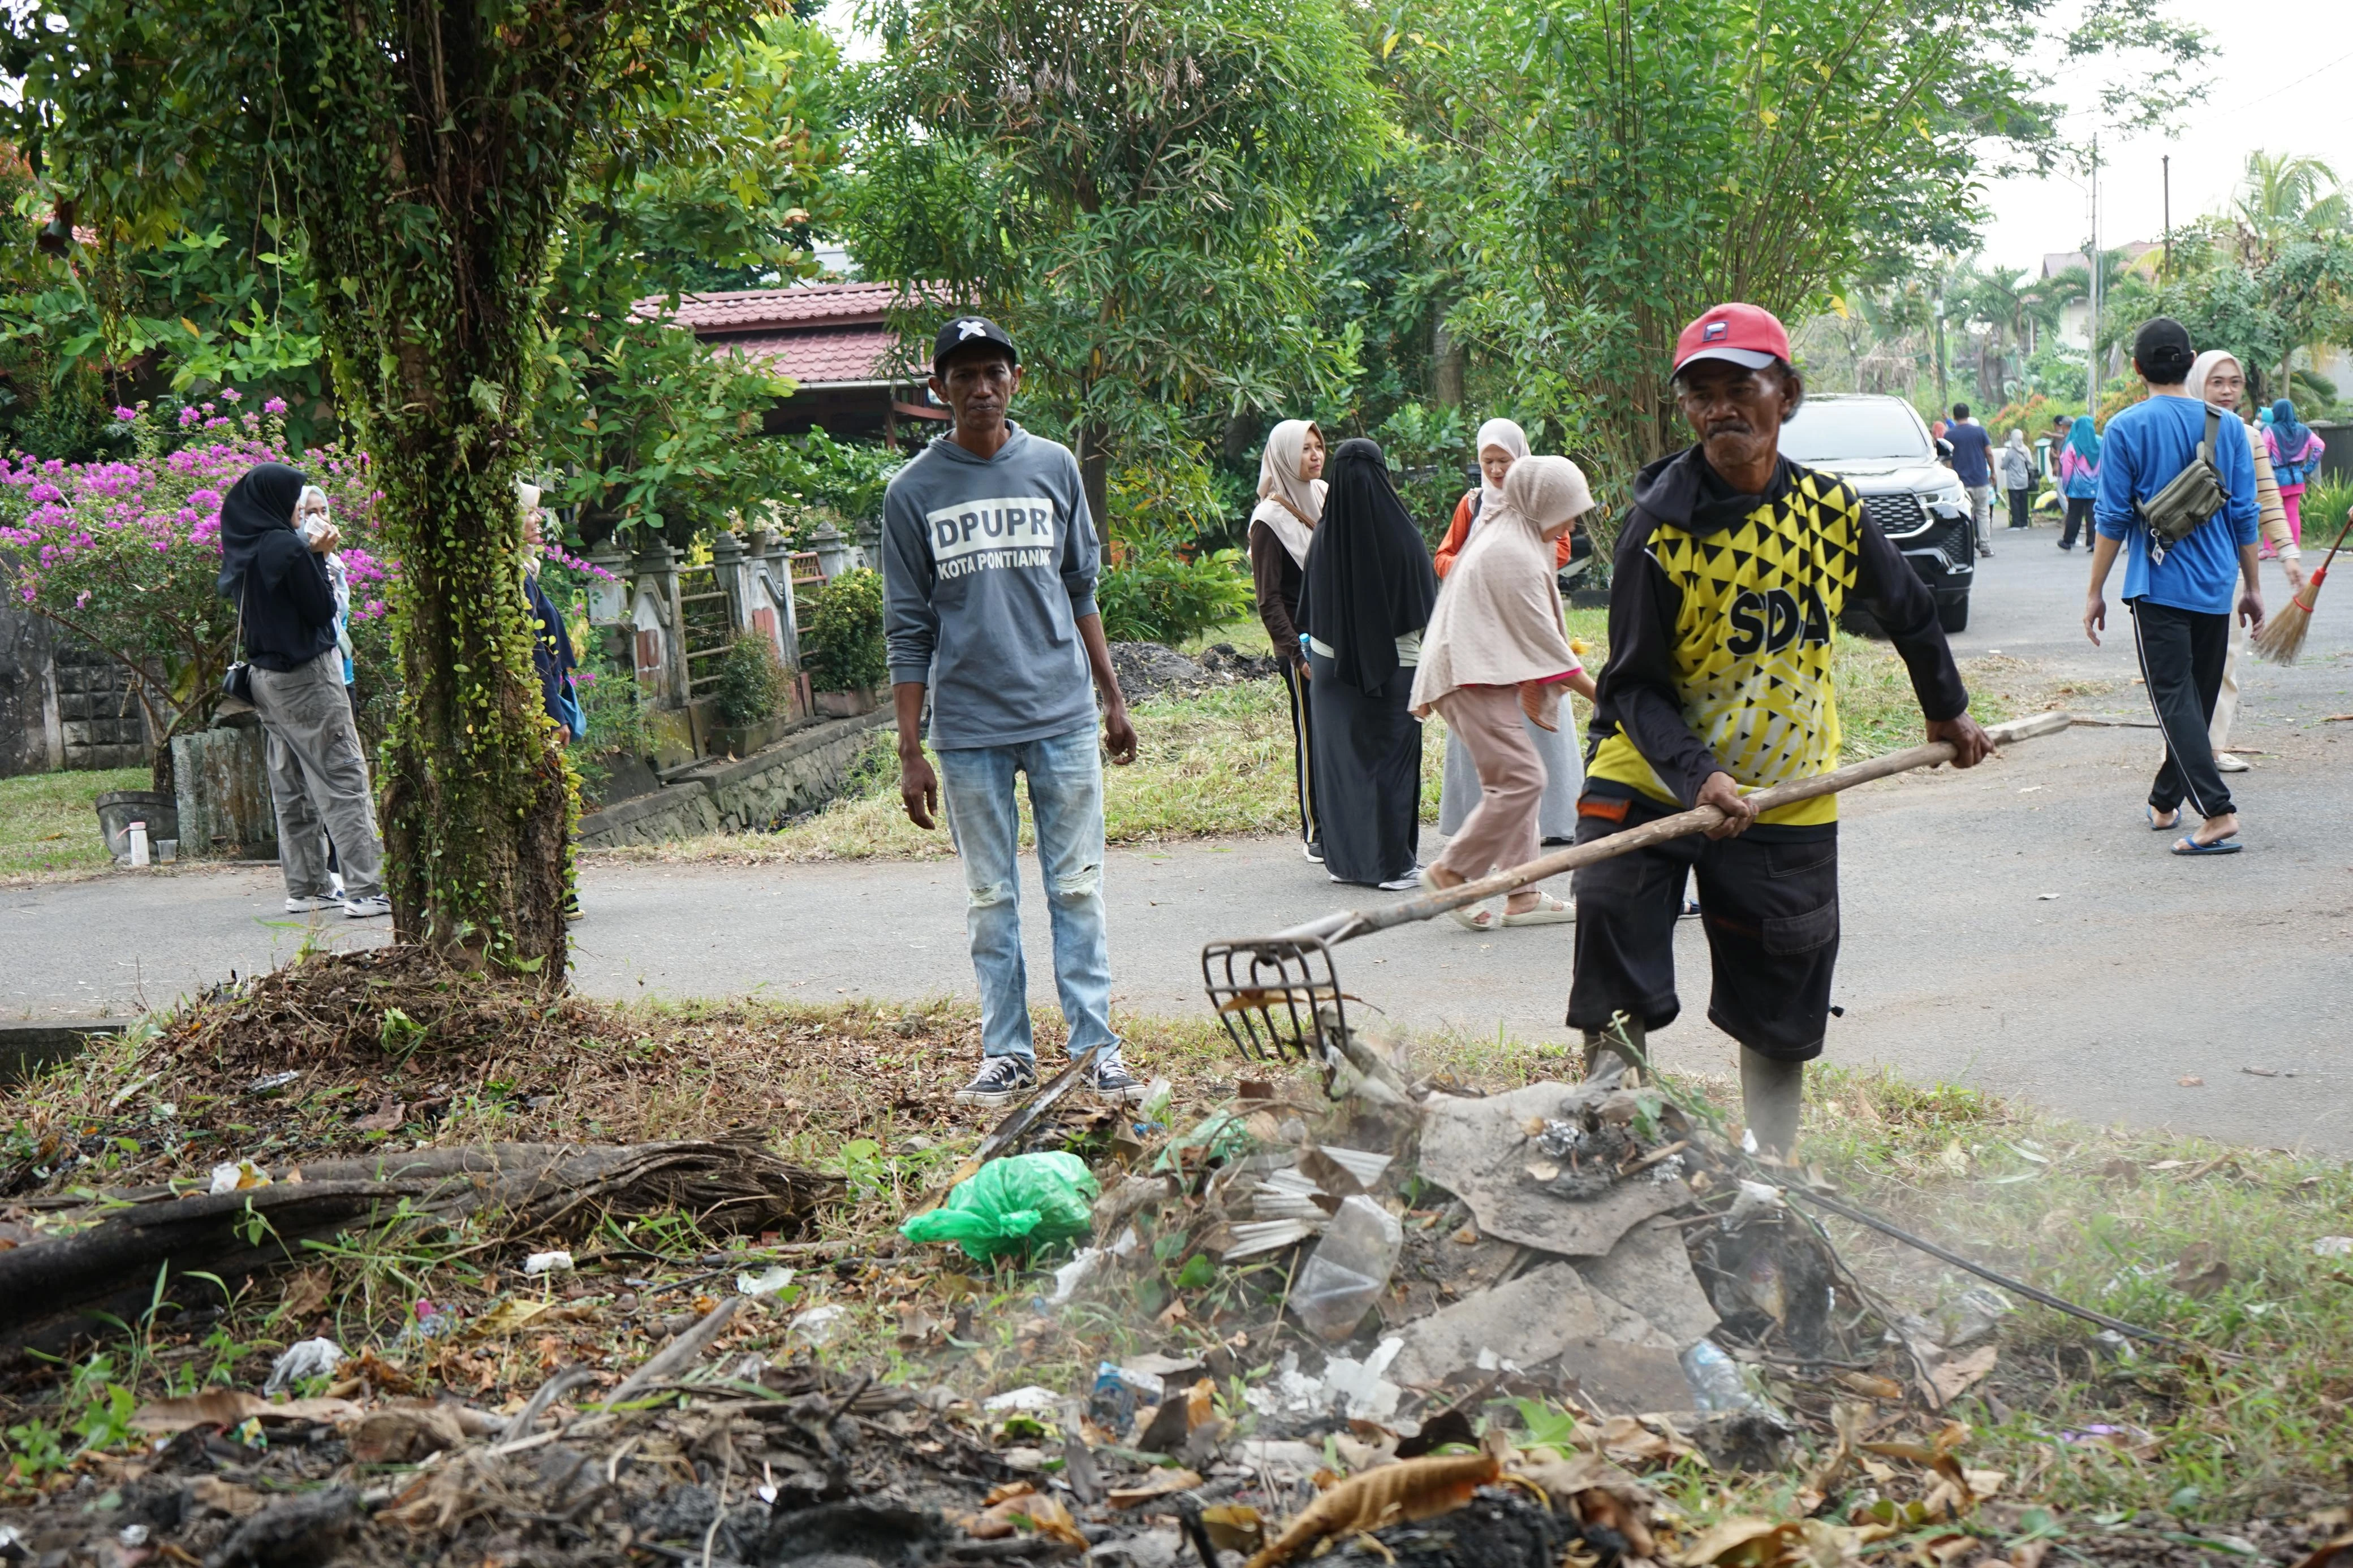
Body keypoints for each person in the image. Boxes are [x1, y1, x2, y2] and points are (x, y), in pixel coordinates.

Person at [1570, 303, 1990, 1158]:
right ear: (1685, 410)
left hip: (1786, 788)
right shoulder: (1658, 530)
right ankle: (1616, 1141)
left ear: (1786, 396)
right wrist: (1697, 778)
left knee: (1783, 986)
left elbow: (1910, 610)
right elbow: (1635, 687)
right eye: (1703, 395)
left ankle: (1772, 1172)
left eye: (1741, 389)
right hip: (1652, 776)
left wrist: (1946, 707)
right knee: (1611, 927)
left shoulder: (1832, 511)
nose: (1721, 409)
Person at [882, 314, 1146, 1107]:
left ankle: (1096, 1045)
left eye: (995, 372)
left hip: (1061, 715)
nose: (982, 387)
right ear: (939, 389)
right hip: (967, 733)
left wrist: (1113, 694)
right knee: (991, 899)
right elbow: (907, 626)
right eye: (963, 375)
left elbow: (1081, 589)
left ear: (1015, 382)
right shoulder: (912, 494)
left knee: (1076, 888)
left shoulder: (1055, 468)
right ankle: (1008, 1052)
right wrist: (908, 747)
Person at [2083, 318, 2262, 856]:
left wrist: (2095, 591)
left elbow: (2112, 517)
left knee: (2174, 700)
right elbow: (2245, 514)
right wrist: (2252, 586)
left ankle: (2218, 813)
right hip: (2215, 583)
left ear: (2137, 368)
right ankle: (2166, 800)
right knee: (2195, 700)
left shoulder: (2124, 428)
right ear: (2191, 363)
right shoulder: (2228, 426)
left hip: (2158, 586)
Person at [1411, 456, 1597, 930]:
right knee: (1519, 780)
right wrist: (1607, 697)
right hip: (1469, 677)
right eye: (1569, 509)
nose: (1574, 522)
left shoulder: (1517, 534)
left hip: (1482, 672)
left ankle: (1523, 891)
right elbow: (1547, 645)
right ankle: (1452, 872)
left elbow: (1540, 638)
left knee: (1518, 780)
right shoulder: (1511, 550)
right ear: (1543, 503)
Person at [218, 463, 391, 919]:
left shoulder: (245, 543)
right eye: (295, 499)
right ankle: (366, 888)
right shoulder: (288, 550)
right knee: (343, 776)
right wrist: (318, 556)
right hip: (306, 678)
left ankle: (308, 886)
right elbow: (321, 612)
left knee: (291, 784)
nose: (300, 508)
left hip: (264, 680)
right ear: (277, 500)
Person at [1297, 438, 1440, 891]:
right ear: (1384, 474)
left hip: (1330, 675)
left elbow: (1309, 613)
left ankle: (1347, 862)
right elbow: (1425, 611)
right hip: (1396, 671)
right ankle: (1392, 866)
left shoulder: (1324, 537)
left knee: (1343, 766)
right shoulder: (1403, 535)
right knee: (1391, 766)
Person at [1433, 418, 1582, 848]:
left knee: (1538, 712)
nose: (1497, 469)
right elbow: (1444, 555)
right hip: (1480, 623)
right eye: (1489, 461)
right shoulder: (1472, 502)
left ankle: (1553, 819)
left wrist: (1517, 560)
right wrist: (1469, 567)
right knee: (1489, 715)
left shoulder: (1537, 497)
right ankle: (1478, 822)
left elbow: (1563, 546)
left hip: (1528, 615)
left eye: (1505, 460)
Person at [2183, 352, 2304, 774]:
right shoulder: (2179, 425)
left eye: (2235, 382)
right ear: (2198, 381)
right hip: (2174, 565)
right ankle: (2180, 753)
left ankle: (2211, 748)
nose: (2228, 391)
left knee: (2225, 660)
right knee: (2179, 667)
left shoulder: (2248, 436)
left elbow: (2266, 499)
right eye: (2218, 382)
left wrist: (2287, 552)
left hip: (2225, 566)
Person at [1247, 420, 1328, 863]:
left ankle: (1343, 819)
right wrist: (1296, 655)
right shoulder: (1269, 520)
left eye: (1318, 447)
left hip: (1336, 640)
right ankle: (1314, 830)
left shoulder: (1325, 496)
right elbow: (1269, 598)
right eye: (1304, 449)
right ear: (1282, 456)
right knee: (1312, 734)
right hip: (1302, 648)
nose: (1315, 456)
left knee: (1337, 733)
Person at [519, 482, 587, 919]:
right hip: (534, 708)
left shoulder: (525, 571)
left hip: (537, 703)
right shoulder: (515, 576)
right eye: (530, 512)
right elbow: (534, 651)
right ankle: (559, 890)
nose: (539, 519)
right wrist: (552, 713)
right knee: (545, 795)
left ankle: (558, 888)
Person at [2265, 399, 2324, 548]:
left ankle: (2271, 548)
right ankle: (2294, 547)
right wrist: (2309, 468)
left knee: (2271, 513)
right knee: (2292, 512)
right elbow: (2320, 446)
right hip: (2297, 476)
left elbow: (2262, 452)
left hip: (2275, 477)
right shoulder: (2304, 430)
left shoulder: (2270, 430)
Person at [1945, 403, 1996, 557]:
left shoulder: (1949, 436)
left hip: (1961, 484)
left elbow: (1948, 462)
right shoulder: (1980, 431)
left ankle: (1968, 550)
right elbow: (1989, 453)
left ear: (1954, 417)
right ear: (1969, 414)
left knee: (1965, 517)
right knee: (1983, 515)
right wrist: (1993, 472)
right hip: (1980, 480)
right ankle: (1986, 547)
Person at [2057, 416, 2101, 552]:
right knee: (2093, 514)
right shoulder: (2101, 442)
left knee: (2074, 514)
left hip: (2077, 487)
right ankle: (2094, 542)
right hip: (2096, 486)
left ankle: (2068, 541)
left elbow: (2067, 468)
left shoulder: (2072, 445)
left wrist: (2065, 486)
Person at [1999, 428, 2034, 530]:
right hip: (2024, 480)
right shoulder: (2026, 450)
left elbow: (2003, 466)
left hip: (2013, 481)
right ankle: (2024, 523)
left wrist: (2003, 460)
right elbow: (2031, 464)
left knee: (2015, 502)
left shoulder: (2011, 452)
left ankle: (2016, 524)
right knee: (2024, 502)